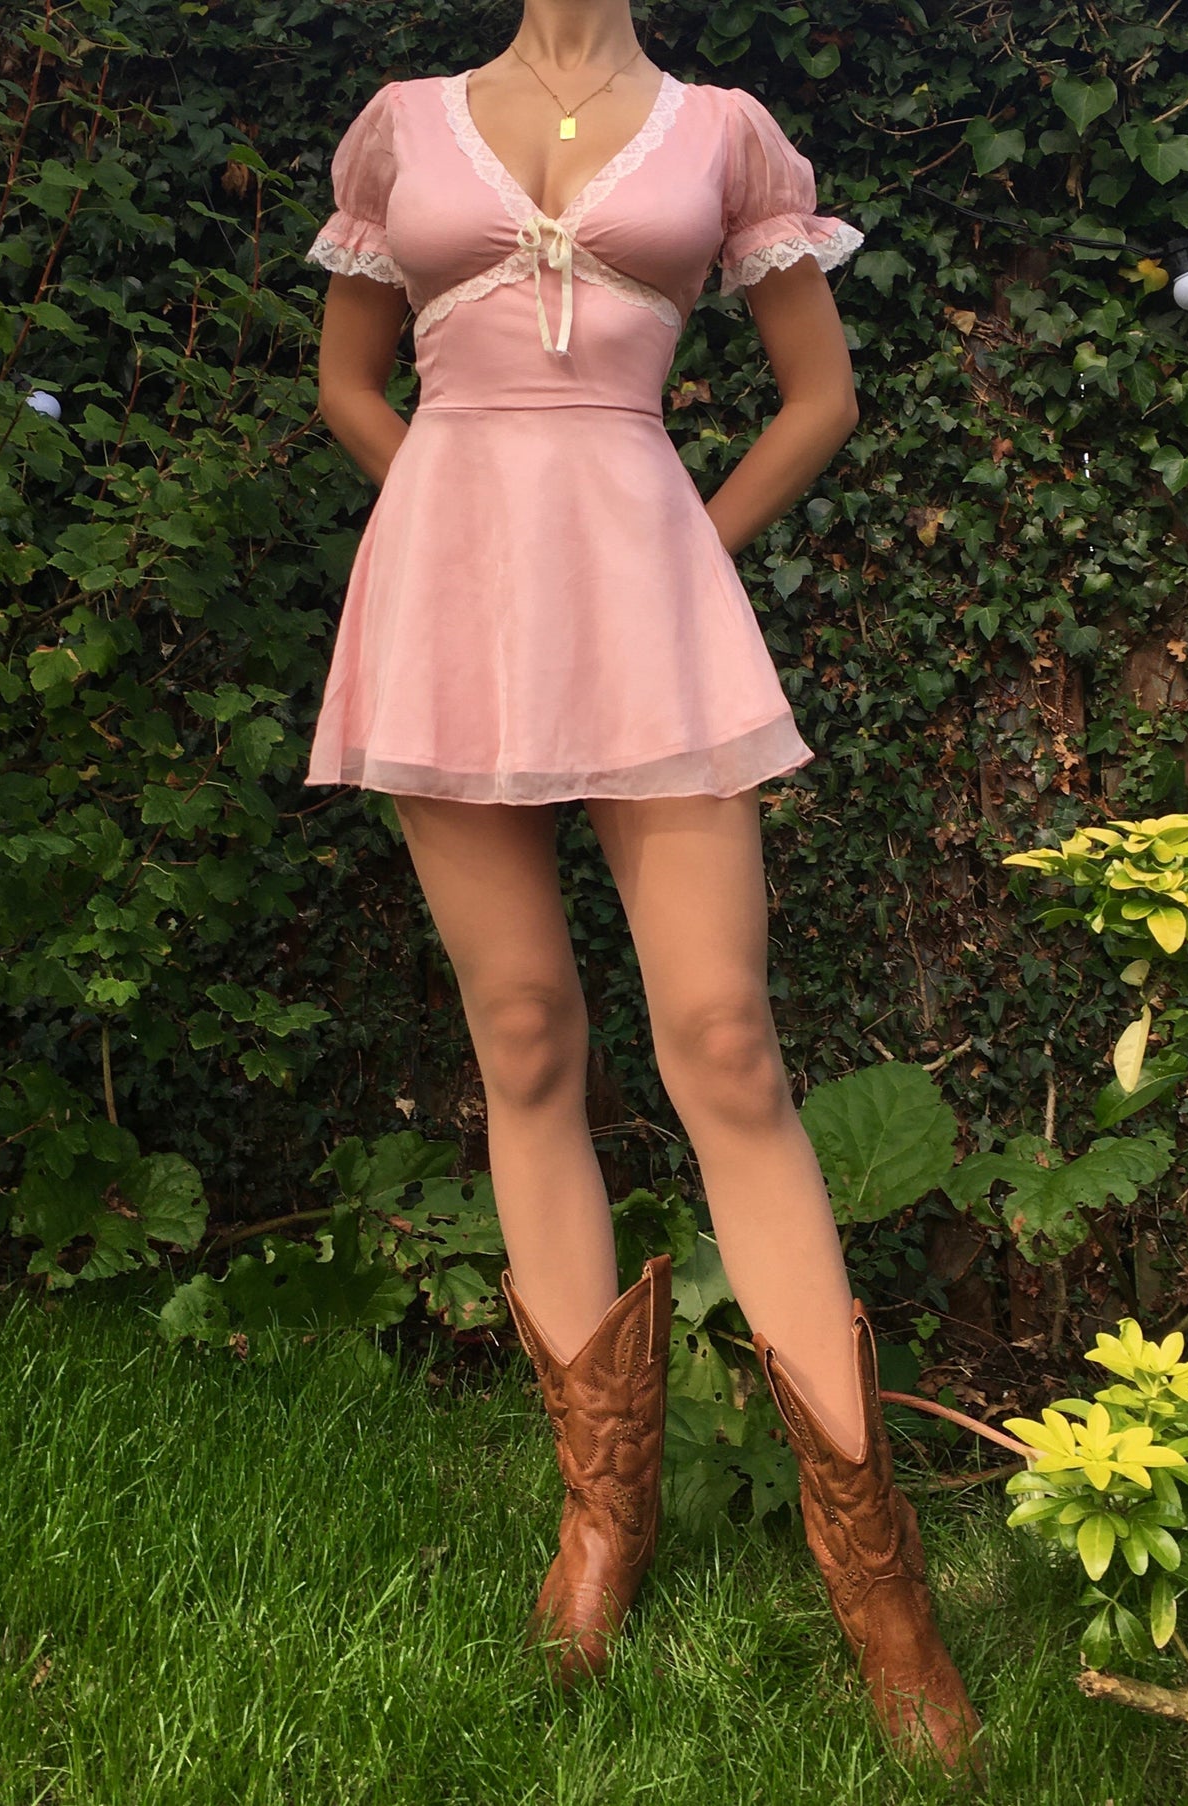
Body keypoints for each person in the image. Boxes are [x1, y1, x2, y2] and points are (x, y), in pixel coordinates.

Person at [306, 0, 983, 1780]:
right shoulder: (399, 123)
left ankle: (878, 1589)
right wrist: (455, 524)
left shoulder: (726, 131)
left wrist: (679, 548)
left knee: (725, 1043)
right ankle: (603, 1515)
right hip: (445, 610)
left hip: (648, 602)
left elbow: (819, 396)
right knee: (525, 1034)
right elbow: (350, 381)